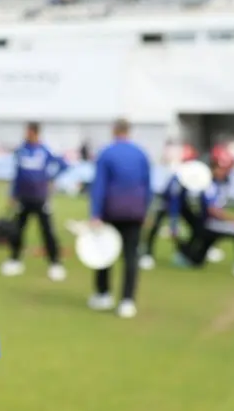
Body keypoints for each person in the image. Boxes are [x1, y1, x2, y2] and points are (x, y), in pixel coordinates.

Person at [87, 118, 152, 319]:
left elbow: (99, 185)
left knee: (105, 251)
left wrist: (95, 213)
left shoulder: (106, 153)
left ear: (114, 130)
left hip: (111, 210)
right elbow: (148, 186)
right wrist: (145, 210)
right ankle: (127, 301)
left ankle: (103, 293)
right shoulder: (141, 154)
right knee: (131, 256)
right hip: (134, 211)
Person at [1, 122, 67, 281]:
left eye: (29, 131)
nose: (26, 134)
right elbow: (17, 174)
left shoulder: (45, 150)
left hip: (41, 197)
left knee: (47, 231)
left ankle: (55, 263)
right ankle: (14, 260)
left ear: (35, 133)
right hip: (23, 197)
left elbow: (63, 165)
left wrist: (51, 179)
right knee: (18, 229)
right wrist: (13, 194)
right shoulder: (21, 150)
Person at [178, 161, 234, 277]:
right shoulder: (210, 185)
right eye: (222, 169)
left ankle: (185, 253)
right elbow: (213, 210)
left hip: (207, 224)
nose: (224, 172)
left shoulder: (216, 184)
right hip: (210, 224)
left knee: (197, 261)